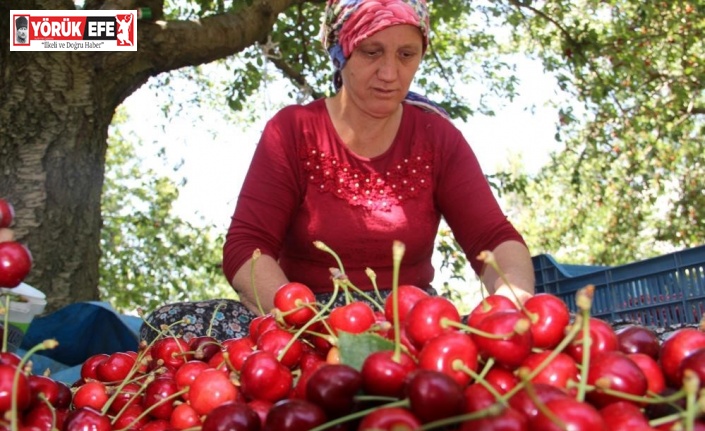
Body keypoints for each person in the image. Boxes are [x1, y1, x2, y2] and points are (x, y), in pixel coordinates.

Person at [140, 0, 535, 343]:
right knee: (171, 328)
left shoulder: (437, 138)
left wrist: (514, 304)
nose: (389, 73)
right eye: (371, 52)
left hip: (405, 324)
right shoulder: (293, 131)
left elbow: (493, 238)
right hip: (301, 313)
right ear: (342, 51)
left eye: (406, 55)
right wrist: (302, 323)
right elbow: (247, 246)